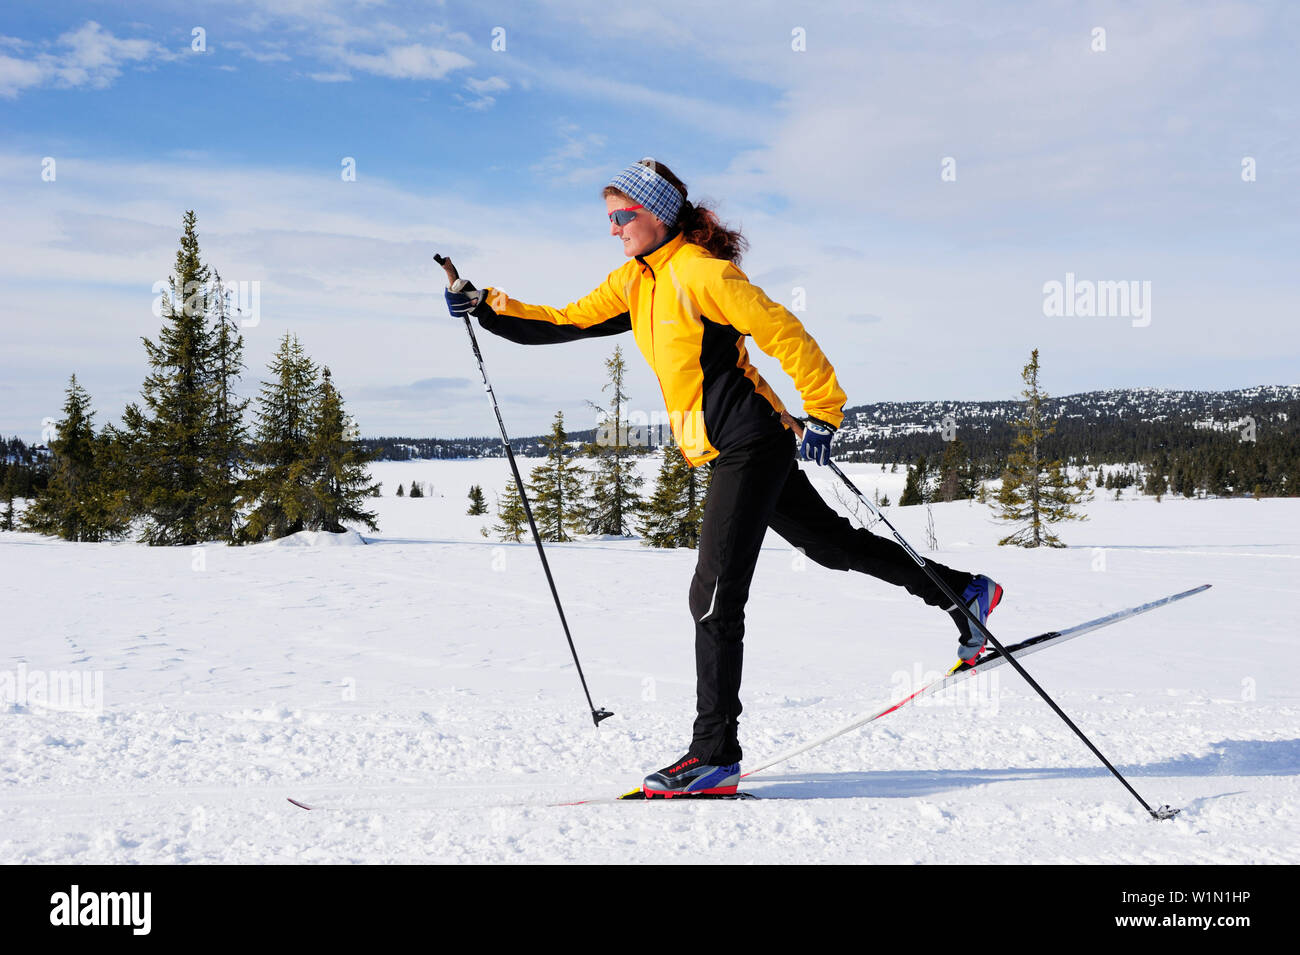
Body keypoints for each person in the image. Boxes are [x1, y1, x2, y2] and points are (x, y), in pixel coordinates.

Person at [445, 158, 1003, 797]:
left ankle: (714, 754)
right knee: (832, 545)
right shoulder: (637, 282)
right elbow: (565, 320)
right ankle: (964, 593)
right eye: (608, 219)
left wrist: (821, 410)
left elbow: (783, 331)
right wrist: (484, 304)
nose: (614, 229)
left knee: (712, 597)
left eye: (622, 217)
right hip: (727, 451)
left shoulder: (705, 274)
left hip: (753, 443)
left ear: (656, 214)